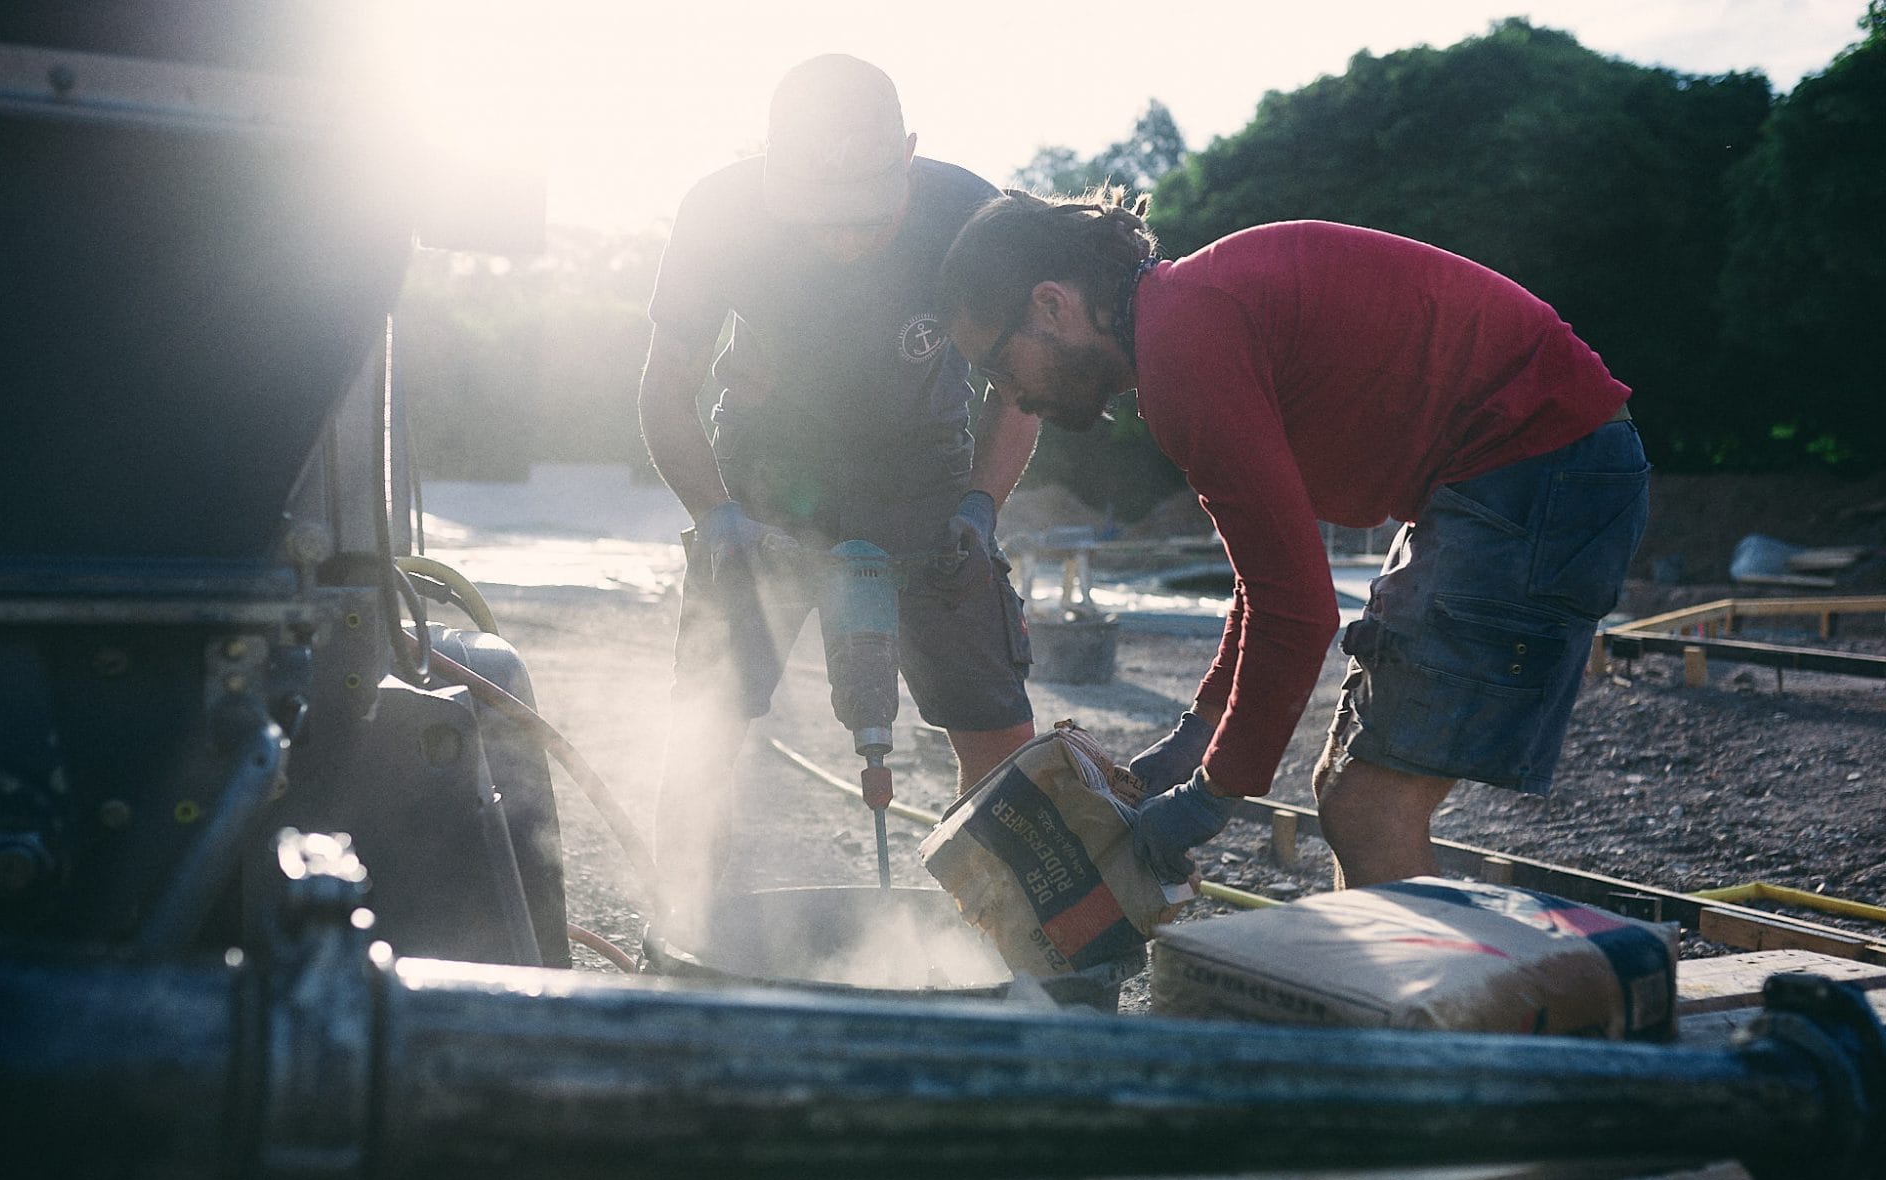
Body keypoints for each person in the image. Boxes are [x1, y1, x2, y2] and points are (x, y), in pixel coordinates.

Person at [937, 192, 1647, 891]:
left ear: (1052, 305)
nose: (1013, 398)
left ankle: (1472, 976)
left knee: (1368, 811)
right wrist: (1197, 732)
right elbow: (1267, 580)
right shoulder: (1185, 317)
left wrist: (1211, 795)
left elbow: (1298, 610)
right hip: (1525, 468)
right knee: (1343, 790)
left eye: (999, 367)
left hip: (1539, 465)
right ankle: (1387, 970)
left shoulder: (1186, 349)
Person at [638, 54, 1040, 896]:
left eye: (866, 217)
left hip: (928, 481)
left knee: (998, 727)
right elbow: (667, 386)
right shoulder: (720, 212)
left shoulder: (969, 217)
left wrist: (979, 506)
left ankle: (995, 931)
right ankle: (682, 924)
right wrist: (717, 519)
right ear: (770, 164)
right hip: (764, 483)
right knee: (705, 723)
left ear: (909, 155)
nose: (843, 240)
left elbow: (1019, 388)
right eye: (819, 217)